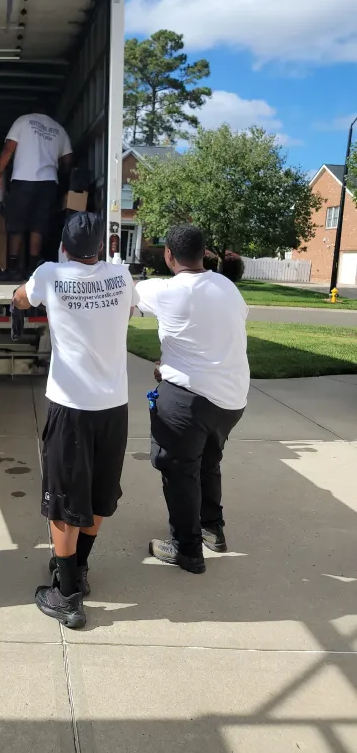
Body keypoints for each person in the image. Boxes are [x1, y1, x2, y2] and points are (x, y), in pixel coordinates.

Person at [13, 212, 139, 629]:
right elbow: (130, 309)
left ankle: (66, 596)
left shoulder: (49, 274)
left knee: (63, 501)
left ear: (64, 248)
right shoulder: (121, 277)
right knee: (100, 493)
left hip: (71, 406)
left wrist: (20, 295)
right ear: (100, 248)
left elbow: (22, 299)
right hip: (113, 407)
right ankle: (79, 569)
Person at [135, 224, 249, 574]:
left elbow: (125, 296)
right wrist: (171, 363)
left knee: (179, 471)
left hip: (189, 402)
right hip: (231, 400)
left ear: (168, 254)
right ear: (204, 254)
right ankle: (212, 529)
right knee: (208, 462)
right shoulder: (228, 288)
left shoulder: (164, 290)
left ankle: (186, 550)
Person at [0, 107, 73, 280]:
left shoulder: (23, 121)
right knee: (38, 226)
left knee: (17, 225)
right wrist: (63, 186)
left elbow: (8, 148)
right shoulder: (59, 129)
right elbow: (67, 161)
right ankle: (33, 271)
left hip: (24, 179)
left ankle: (13, 270)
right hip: (49, 183)